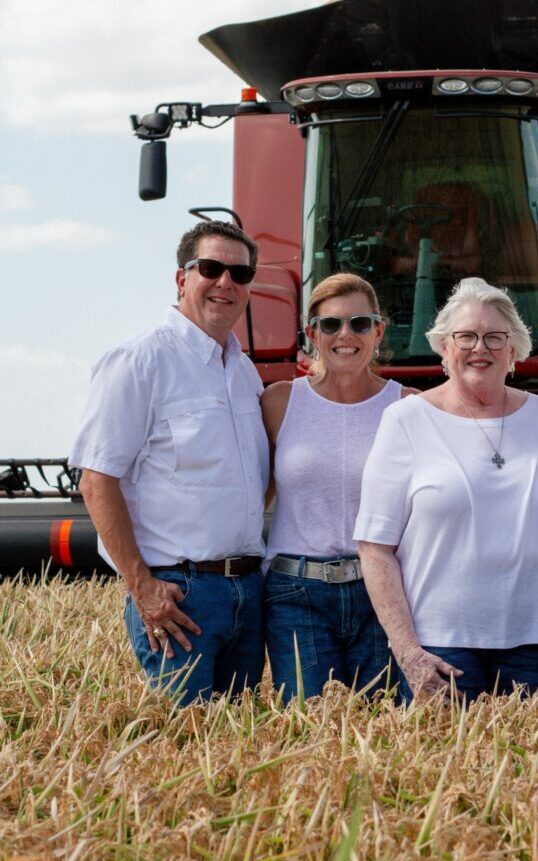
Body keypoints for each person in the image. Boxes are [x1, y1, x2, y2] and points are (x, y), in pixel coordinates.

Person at [70, 221, 269, 704]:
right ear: (182, 279)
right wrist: (143, 586)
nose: (226, 282)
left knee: (238, 752)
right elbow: (96, 480)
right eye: (211, 268)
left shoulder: (245, 373)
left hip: (247, 591)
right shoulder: (139, 362)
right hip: (181, 596)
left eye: (239, 273)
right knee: (183, 756)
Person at [355, 277, 538, 704]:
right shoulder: (405, 420)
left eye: (495, 337)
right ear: (443, 347)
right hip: (442, 648)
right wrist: (408, 653)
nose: (481, 348)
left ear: (514, 349)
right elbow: (374, 548)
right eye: (466, 336)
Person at [261, 273, 415, 703]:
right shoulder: (279, 402)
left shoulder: (408, 407)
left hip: (380, 591)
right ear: (312, 333)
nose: (345, 335)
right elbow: (254, 495)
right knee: (310, 731)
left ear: (379, 331)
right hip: (296, 593)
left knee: (384, 731)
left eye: (359, 323)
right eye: (330, 325)